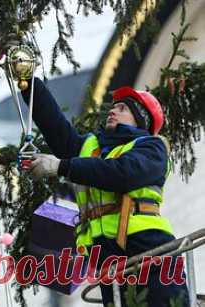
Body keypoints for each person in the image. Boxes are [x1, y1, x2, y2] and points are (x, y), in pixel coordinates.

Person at [21, 78, 190, 307]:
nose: (113, 111)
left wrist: (62, 166)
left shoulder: (152, 147)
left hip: (150, 249)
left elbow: (122, 173)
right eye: (113, 107)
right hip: (106, 257)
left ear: (141, 120)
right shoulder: (90, 149)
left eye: (123, 109)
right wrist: (28, 82)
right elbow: (55, 126)